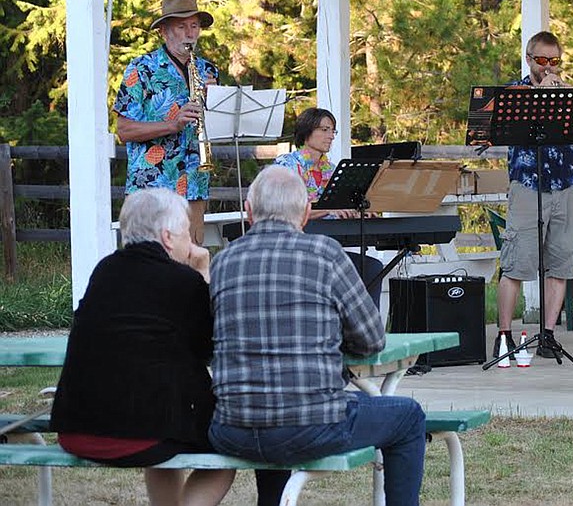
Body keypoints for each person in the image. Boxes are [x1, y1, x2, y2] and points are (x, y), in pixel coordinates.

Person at [208, 165, 426, 506]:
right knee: (409, 416)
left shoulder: (222, 262)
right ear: (307, 213)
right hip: (311, 426)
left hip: (234, 428)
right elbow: (371, 339)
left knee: (274, 404)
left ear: (249, 213)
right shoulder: (326, 254)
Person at [50, 189, 234, 506]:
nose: (190, 243)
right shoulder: (182, 281)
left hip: (77, 429)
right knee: (230, 449)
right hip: (143, 433)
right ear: (166, 236)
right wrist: (203, 272)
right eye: (187, 233)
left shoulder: (104, 271)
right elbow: (208, 348)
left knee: (166, 430)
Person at [495, 31, 573, 360]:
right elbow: (500, 129)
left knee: (561, 263)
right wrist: (541, 94)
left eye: (554, 61)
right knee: (516, 262)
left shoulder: (568, 93)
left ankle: (548, 334)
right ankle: (503, 336)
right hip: (528, 184)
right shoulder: (516, 92)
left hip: (565, 185)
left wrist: (571, 98)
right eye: (542, 60)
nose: (548, 67)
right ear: (529, 59)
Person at [115, 0, 218, 245]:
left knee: (190, 258)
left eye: (194, 26)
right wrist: (172, 124)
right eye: (181, 26)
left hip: (195, 183)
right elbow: (124, 130)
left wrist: (216, 100)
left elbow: (217, 127)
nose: (190, 33)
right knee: (148, 263)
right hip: (152, 186)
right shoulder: (141, 68)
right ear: (164, 31)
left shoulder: (207, 70)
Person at [274, 107, 382, 307]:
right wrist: (330, 210)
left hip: (329, 247)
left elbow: (344, 205)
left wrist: (360, 211)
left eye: (332, 130)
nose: (330, 136)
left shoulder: (333, 170)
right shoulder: (286, 165)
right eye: (324, 130)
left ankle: (366, 333)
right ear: (306, 132)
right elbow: (288, 210)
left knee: (372, 269)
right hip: (297, 250)